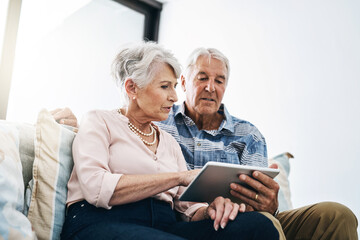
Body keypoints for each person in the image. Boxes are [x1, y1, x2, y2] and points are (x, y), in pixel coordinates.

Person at [57, 47, 358, 239]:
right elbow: (98, 177)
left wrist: (215, 207)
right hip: (109, 219)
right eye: (169, 86)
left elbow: (186, 207)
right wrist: (66, 122)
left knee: (271, 224)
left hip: (190, 219)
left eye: (220, 80)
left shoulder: (178, 140)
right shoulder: (118, 121)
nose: (173, 96)